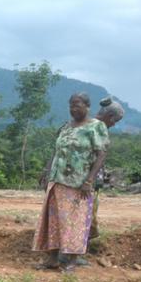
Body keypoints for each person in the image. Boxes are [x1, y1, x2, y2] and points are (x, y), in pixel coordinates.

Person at [33, 92, 109, 271]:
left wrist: (89, 180)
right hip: (57, 181)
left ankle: (72, 261)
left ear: (87, 106)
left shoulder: (96, 127)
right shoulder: (66, 126)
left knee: (75, 221)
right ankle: (52, 258)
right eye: (71, 105)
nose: (73, 108)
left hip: (78, 184)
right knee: (53, 220)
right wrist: (46, 171)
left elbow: (101, 153)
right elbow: (57, 151)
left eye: (77, 105)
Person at [88, 96, 125, 244]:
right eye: (115, 120)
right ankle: (77, 250)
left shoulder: (87, 125)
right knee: (87, 215)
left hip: (88, 181)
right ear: (109, 116)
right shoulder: (97, 128)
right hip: (86, 182)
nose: (114, 124)